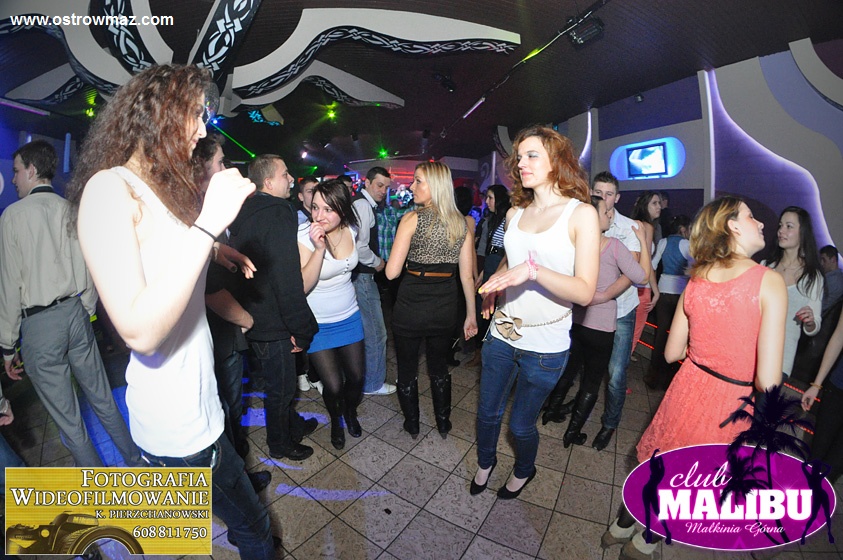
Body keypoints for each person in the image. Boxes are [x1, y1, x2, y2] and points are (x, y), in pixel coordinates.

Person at [68, 64, 275, 557]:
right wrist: (208, 227)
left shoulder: (159, 188)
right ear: (160, 113)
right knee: (254, 530)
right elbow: (138, 330)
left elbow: (166, 250)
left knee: (186, 526)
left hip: (199, 404)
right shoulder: (108, 190)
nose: (203, 130)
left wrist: (218, 250)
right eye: (197, 115)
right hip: (177, 422)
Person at [604, 196, 786, 560]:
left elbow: (672, 353)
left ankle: (621, 526)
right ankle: (644, 542)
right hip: (728, 402)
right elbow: (767, 381)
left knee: (659, 461)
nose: (761, 224)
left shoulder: (699, 277)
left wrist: (704, 354)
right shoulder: (769, 282)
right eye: (752, 217)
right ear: (732, 226)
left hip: (687, 386)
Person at [471, 126, 599, 499]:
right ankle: (484, 463)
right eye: (519, 156)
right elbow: (510, 259)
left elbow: (585, 291)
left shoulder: (581, 214)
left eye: (531, 155)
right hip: (502, 332)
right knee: (487, 413)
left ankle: (524, 469)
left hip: (546, 343)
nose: (520, 163)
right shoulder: (515, 213)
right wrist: (494, 287)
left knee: (521, 426)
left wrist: (533, 271)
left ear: (557, 161)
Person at [0, 140, 142, 468]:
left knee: (70, 422)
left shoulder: (12, 217)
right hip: (76, 314)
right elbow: (90, 266)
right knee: (104, 402)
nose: (14, 178)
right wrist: (85, 310)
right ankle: (137, 465)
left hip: (39, 325)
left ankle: (100, 489)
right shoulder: (70, 209)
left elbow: (8, 286)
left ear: (32, 170)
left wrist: (7, 347)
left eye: (17, 171)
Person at [229, 154, 319, 461]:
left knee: (277, 382)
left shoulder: (247, 210)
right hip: (273, 321)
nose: (291, 179)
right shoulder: (279, 212)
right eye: (285, 175)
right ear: (268, 182)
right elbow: (285, 276)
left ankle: (292, 424)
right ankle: (280, 444)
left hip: (255, 313)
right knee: (281, 389)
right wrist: (301, 328)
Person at [542, 195, 649, 439]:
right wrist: (643, 241)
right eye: (605, 212)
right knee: (591, 382)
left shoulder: (572, 245)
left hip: (576, 321)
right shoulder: (613, 246)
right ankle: (573, 433)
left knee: (569, 371)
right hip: (601, 326)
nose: (610, 215)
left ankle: (550, 412)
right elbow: (642, 277)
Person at [386, 162, 477, 438]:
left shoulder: (411, 219)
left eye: (418, 181)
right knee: (439, 367)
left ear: (435, 186)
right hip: (444, 307)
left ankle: (412, 423)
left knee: (407, 368)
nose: (412, 186)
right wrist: (471, 315)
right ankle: (443, 422)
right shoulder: (461, 223)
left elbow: (391, 273)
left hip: (411, 306)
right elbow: (467, 276)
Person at [297, 179, 365, 450]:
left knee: (356, 379)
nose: (319, 215)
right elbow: (303, 285)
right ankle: (336, 420)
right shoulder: (304, 234)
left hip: (349, 316)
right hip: (318, 323)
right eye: (315, 207)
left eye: (328, 209)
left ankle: (349, 411)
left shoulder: (352, 229)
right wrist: (319, 249)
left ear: (342, 209)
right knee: (334, 386)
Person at [589, 172, 642, 451]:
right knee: (587, 364)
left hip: (620, 308)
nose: (604, 198)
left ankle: (609, 423)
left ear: (617, 197)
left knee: (616, 373)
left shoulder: (628, 227)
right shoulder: (584, 219)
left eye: (609, 194)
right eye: (598, 193)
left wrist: (602, 296)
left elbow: (630, 273)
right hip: (589, 308)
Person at [763, 206, 823, 377]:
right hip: (751, 353)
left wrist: (810, 321)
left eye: (789, 226)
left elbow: (814, 325)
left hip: (781, 360)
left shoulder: (812, 276)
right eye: (780, 226)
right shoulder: (765, 267)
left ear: (802, 233)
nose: (781, 231)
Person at [352, 167, 395, 396]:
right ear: (367, 183)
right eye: (379, 185)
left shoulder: (363, 204)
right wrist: (378, 262)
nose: (383, 191)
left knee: (366, 331)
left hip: (358, 277)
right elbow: (360, 247)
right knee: (377, 333)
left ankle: (364, 379)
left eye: (386, 187)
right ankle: (373, 384)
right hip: (363, 277)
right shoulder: (363, 205)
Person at [643, 214, 693, 391]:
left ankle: (653, 375)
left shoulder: (663, 242)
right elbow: (693, 269)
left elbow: (652, 265)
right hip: (680, 294)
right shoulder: (686, 244)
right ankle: (668, 378)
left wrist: (654, 288)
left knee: (661, 334)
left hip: (663, 291)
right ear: (683, 229)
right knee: (676, 337)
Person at [467, 184, 511, 368]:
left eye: (491, 198)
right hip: (491, 262)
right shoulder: (492, 219)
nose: (487, 201)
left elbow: (507, 252)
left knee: (493, 310)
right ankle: (480, 352)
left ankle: (488, 355)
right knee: (482, 308)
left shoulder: (509, 218)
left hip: (501, 264)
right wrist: (484, 271)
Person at [802, 303, 843, 484]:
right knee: (815, 456)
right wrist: (816, 384)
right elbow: (839, 337)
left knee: (833, 467)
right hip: (837, 388)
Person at [629, 191, 661, 361]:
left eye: (659, 203)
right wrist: (656, 291)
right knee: (634, 333)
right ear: (644, 206)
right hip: (642, 287)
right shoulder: (647, 227)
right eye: (654, 203)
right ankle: (620, 374)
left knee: (625, 331)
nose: (659, 206)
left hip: (628, 284)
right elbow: (647, 262)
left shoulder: (633, 224)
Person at [819, 245, 843, 315]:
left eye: (824, 260)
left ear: (833, 259)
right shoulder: (835, 279)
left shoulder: (834, 281)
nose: (821, 263)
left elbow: (820, 306)